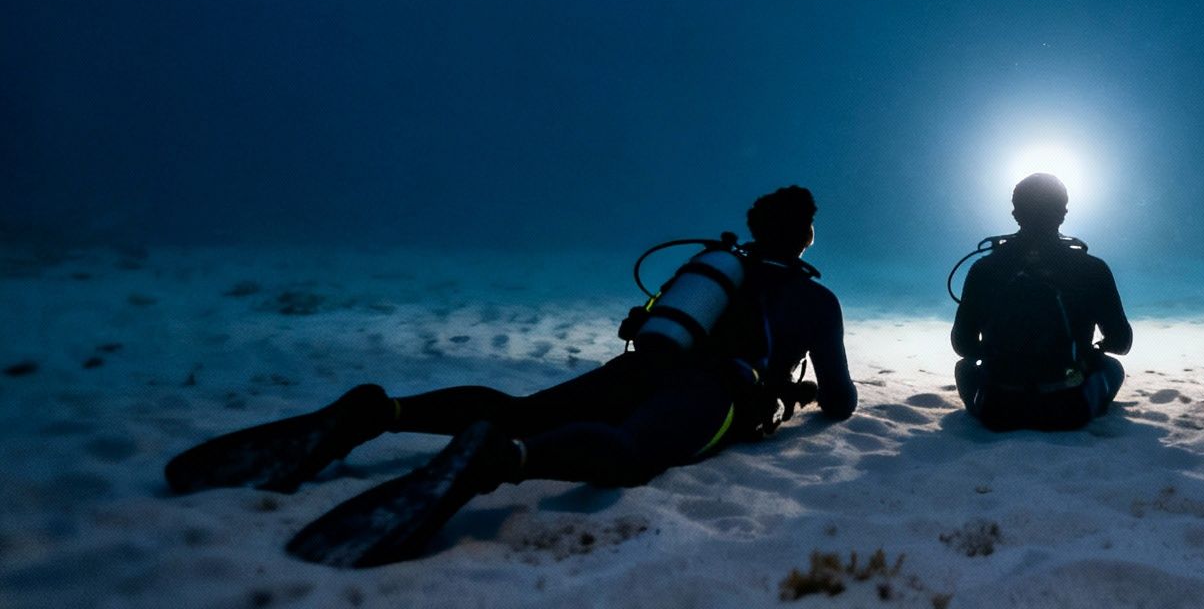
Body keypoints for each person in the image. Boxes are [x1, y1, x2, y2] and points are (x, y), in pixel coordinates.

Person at [165, 185, 857, 568]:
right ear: (806, 237)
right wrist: (795, 392)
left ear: (753, 226)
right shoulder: (816, 300)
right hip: (715, 392)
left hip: (645, 362)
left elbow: (647, 320)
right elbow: (841, 401)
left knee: (522, 406)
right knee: (628, 454)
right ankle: (503, 461)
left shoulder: (714, 268)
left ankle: (381, 413)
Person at [950, 172, 1133, 431]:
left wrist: (999, 357)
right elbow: (1121, 342)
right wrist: (1087, 352)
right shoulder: (1092, 268)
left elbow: (963, 345)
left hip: (998, 409)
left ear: (1015, 213)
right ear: (1064, 212)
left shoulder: (985, 268)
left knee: (964, 369)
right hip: (1070, 409)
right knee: (1112, 367)